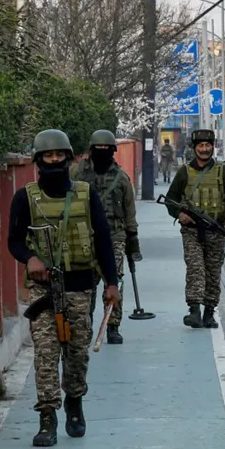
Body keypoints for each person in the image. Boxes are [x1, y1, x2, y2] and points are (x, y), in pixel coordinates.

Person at [8, 129, 121, 448]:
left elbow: (102, 240)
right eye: (48, 156)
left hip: (80, 286)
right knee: (45, 353)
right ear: (38, 160)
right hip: (43, 291)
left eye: (59, 155)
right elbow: (13, 240)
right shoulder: (25, 197)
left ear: (68, 158)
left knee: (76, 354)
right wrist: (29, 258)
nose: (54, 160)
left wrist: (111, 282)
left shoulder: (86, 194)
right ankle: (47, 416)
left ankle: (74, 403)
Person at [164, 129, 225, 328]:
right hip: (191, 231)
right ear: (195, 148)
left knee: (213, 272)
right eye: (201, 146)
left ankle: (209, 312)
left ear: (212, 147)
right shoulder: (184, 172)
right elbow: (170, 200)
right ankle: (194, 311)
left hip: (215, 231)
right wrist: (179, 215)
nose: (205, 149)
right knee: (195, 267)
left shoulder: (222, 171)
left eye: (208, 145)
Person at [70, 129, 141, 345]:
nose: (102, 152)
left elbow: (129, 211)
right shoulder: (76, 174)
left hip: (115, 237)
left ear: (113, 151)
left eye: (106, 149)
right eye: (98, 149)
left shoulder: (121, 179)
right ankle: (86, 323)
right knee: (86, 283)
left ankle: (112, 326)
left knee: (115, 281)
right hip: (83, 236)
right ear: (91, 150)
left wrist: (133, 240)